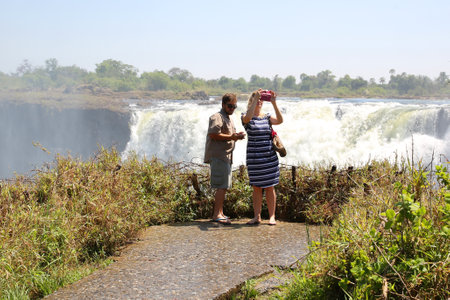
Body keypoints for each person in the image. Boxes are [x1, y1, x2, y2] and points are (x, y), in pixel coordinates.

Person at [241, 89, 283, 225]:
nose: (259, 102)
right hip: (254, 158)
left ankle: (272, 216)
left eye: (260, 100)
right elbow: (247, 119)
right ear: (251, 101)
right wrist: (254, 101)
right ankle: (257, 216)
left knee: (270, 187)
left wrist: (274, 103)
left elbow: (280, 120)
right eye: (256, 99)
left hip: (269, 157)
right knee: (256, 187)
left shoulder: (267, 116)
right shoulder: (245, 116)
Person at [204, 93, 245, 224]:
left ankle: (220, 212)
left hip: (226, 156)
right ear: (223, 105)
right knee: (221, 186)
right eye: (230, 106)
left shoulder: (228, 118)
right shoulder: (217, 117)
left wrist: (236, 137)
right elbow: (213, 134)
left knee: (224, 186)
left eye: (234, 106)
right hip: (219, 156)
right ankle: (216, 214)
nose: (232, 108)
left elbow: (227, 135)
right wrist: (232, 137)